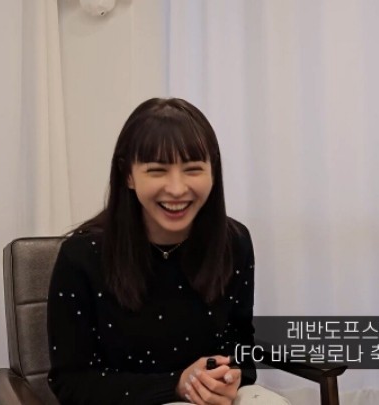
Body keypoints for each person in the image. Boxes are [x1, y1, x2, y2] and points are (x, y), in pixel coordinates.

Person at [47, 98, 283, 405]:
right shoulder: (81, 256)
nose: (176, 189)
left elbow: (240, 348)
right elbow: (71, 382)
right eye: (157, 170)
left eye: (193, 169)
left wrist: (229, 376)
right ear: (128, 174)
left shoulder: (233, 242)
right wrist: (176, 385)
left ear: (213, 171)